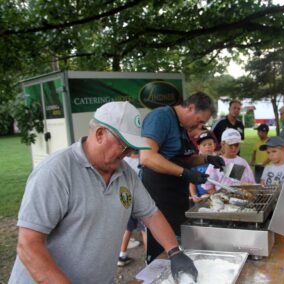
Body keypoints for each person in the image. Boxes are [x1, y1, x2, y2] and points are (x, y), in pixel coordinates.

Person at [8, 101, 198, 284]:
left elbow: (151, 214)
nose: (128, 154)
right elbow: (28, 245)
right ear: (99, 134)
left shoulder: (125, 174)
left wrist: (174, 252)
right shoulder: (56, 171)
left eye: (132, 148)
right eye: (124, 146)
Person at [140, 92, 225, 263]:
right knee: (162, 252)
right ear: (191, 107)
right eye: (200, 121)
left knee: (178, 244)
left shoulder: (183, 127)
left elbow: (183, 158)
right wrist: (185, 173)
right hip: (159, 196)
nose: (199, 126)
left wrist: (207, 158)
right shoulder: (161, 117)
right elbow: (147, 157)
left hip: (176, 196)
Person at [117, 153, 147, 267]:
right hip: (140, 199)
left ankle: (122, 255)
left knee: (128, 229)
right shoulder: (143, 160)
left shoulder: (123, 161)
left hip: (126, 199)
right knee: (144, 229)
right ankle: (148, 259)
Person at [189, 131, 217, 202]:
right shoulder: (195, 162)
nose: (207, 146)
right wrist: (194, 195)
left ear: (214, 145)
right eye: (204, 145)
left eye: (210, 144)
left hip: (217, 196)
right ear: (198, 147)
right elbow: (192, 183)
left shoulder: (218, 161)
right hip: (201, 198)